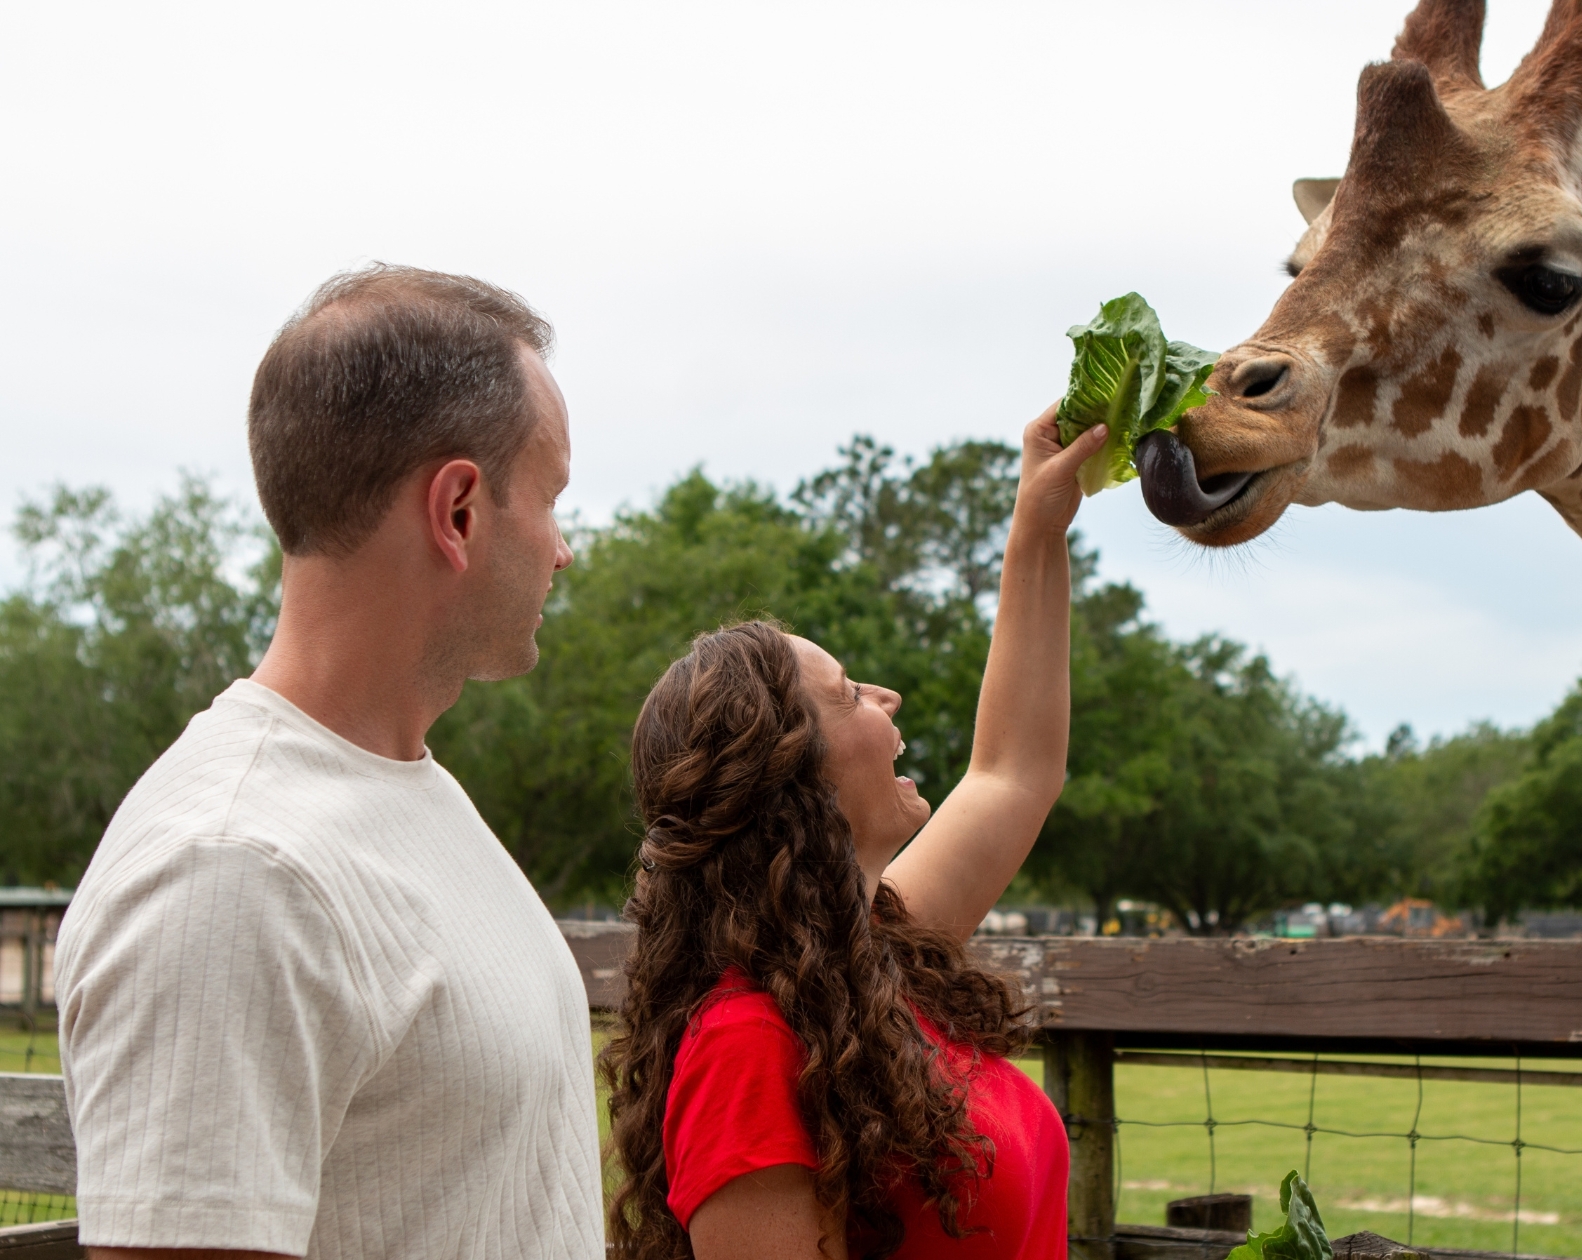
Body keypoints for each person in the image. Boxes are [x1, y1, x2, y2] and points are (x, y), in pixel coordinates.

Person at [53, 265, 602, 1260]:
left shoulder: (401, 793)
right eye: (552, 500)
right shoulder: (232, 870)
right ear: (460, 510)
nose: (562, 551)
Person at [600, 406, 1108, 1260]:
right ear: (793, 775)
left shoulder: (875, 957)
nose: (887, 698)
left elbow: (1014, 772)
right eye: (846, 693)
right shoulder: (747, 1048)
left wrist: (1038, 525)